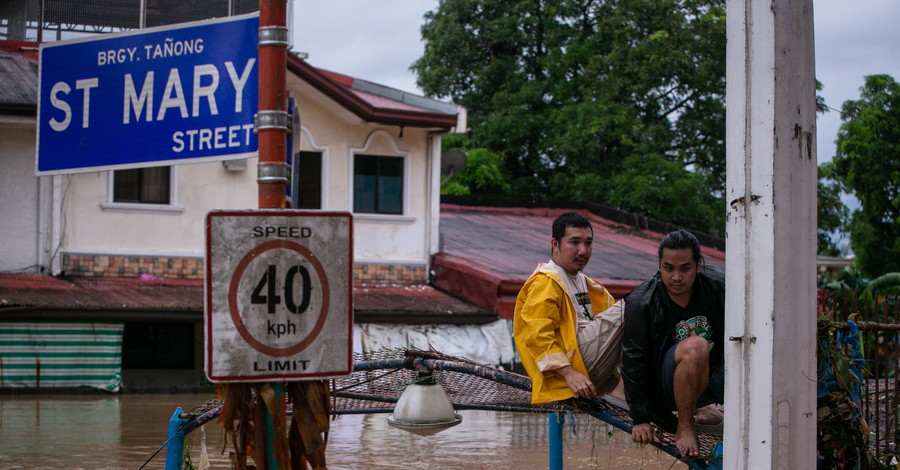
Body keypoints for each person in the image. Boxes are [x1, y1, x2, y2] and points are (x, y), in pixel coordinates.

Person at [621, 229, 725, 458]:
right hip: (666, 388)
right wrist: (641, 418)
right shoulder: (642, 302)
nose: (676, 277)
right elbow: (634, 360)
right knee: (696, 345)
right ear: (659, 264)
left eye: (685, 268)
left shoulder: (718, 287)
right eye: (669, 268)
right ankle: (685, 426)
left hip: (713, 378)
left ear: (698, 265)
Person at [513, 211, 625, 405]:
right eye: (574, 242)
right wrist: (569, 373)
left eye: (588, 243)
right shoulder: (546, 281)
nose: (583, 251)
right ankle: (621, 389)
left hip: (588, 362)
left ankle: (634, 387)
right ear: (555, 245)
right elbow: (537, 336)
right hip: (570, 371)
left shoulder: (585, 282)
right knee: (633, 307)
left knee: (644, 313)